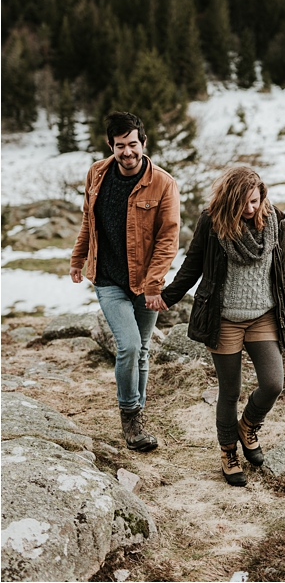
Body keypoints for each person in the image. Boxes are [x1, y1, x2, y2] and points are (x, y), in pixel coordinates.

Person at [159, 166, 285, 487]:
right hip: (225, 319)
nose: (250, 209)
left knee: (273, 384)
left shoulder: (276, 223)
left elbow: (281, 270)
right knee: (230, 391)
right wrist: (165, 299)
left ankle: (248, 426)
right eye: (243, 203)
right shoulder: (212, 223)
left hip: (263, 317)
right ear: (230, 199)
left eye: (255, 201)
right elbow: (191, 267)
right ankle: (229, 452)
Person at [71, 111, 180, 452]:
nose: (127, 152)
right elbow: (88, 221)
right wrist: (78, 258)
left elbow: (168, 239)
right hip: (108, 279)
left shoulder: (164, 183)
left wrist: (153, 284)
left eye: (133, 144)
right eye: (120, 146)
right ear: (111, 145)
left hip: (147, 283)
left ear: (143, 144)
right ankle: (130, 416)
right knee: (130, 346)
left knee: (143, 350)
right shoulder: (97, 173)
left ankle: (138, 414)